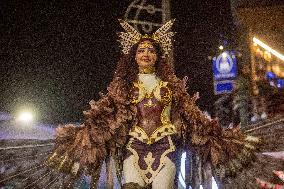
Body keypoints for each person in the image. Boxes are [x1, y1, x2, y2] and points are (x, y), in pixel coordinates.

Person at [1, 20, 283, 189]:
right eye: (141, 50)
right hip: (133, 150)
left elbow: (196, 122)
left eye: (151, 50)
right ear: (133, 56)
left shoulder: (172, 89)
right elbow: (99, 124)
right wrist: (77, 142)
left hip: (166, 150)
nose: (146, 53)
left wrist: (221, 140)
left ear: (159, 57)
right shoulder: (122, 89)